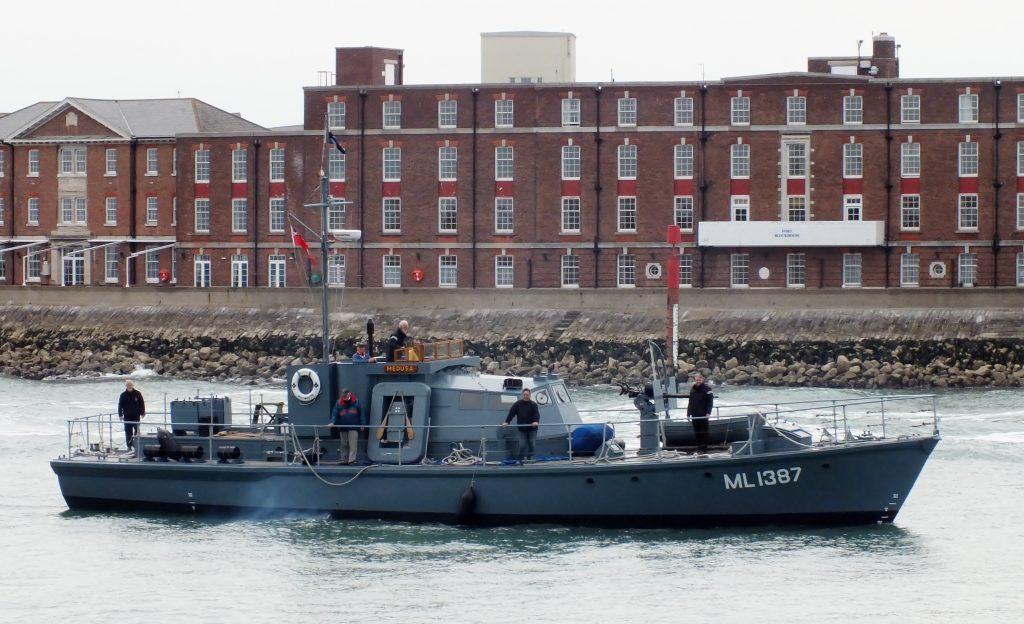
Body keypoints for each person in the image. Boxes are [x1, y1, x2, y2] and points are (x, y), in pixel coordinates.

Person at [502, 388, 540, 462]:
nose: (525, 396)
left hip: (532, 429)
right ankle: (520, 460)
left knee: (532, 444)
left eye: (527, 395)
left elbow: (536, 414)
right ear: (522, 395)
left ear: (530, 395)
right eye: (524, 395)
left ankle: (530, 459)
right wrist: (507, 422)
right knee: (522, 445)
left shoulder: (534, 405)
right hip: (522, 429)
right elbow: (511, 413)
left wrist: (536, 421)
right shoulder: (518, 404)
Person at [329, 388, 365, 464]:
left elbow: (361, 414)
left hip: (354, 426)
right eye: (343, 397)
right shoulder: (338, 403)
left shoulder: (356, 402)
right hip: (342, 426)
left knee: (353, 444)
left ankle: (352, 460)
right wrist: (332, 422)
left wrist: (363, 424)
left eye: (345, 396)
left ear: (349, 394)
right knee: (344, 444)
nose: (344, 398)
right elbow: (334, 414)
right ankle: (344, 459)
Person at [686, 373, 714, 454]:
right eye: (696, 380)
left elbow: (710, 402)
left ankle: (704, 449)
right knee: (697, 432)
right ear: (695, 380)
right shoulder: (693, 389)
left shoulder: (708, 389)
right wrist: (688, 413)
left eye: (699, 380)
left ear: (702, 380)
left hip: (703, 415)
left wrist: (708, 413)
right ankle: (698, 448)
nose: (698, 381)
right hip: (694, 415)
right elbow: (690, 402)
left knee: (704, 432)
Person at [118, 379, 145, 449]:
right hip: (127, 417)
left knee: (137, 432)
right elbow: (120, 405)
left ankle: (136, 445)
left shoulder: (138, 393)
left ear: (133, 385)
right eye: (128, 385)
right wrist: (120, 415)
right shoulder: (123, 395)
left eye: (130, 385)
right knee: (128, 432)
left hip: (136, 416)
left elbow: (142, 403)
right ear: (126, 386)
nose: (129, 386)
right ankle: (129, 446)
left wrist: (142, 413)